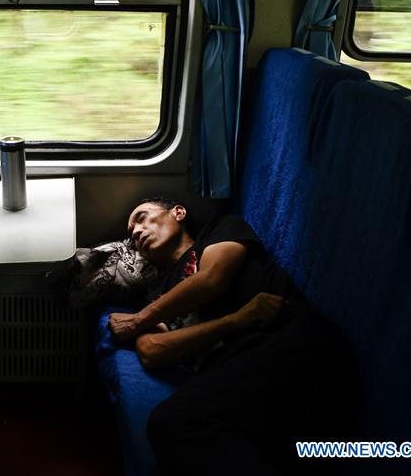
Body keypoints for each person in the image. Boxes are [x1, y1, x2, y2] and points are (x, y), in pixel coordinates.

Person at [107, 197, 356, 475]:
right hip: (238, 376)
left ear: (178, 212)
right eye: (131, 233)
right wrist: (235, 320)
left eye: (141, 217)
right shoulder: (156, 295)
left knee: (176, 421)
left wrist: (139, 320)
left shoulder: (219, 230)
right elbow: (151, 350)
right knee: (174, 427)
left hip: (284, 337)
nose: (136, 232)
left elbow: (212, 279)